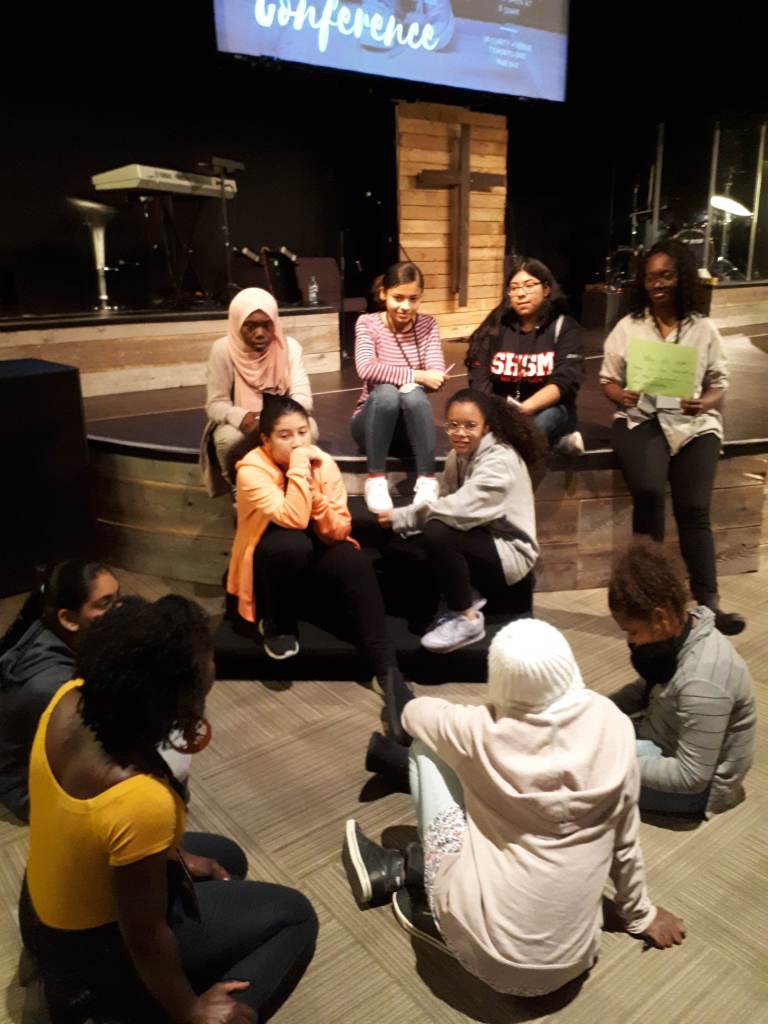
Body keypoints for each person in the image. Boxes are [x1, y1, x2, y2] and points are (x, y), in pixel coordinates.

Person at [343, 618, 686, 996]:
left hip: (486, 957)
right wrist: (641, 915)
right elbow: (625, 843)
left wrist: (480, 715)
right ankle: (406, 866)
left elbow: (411, 715)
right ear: (568, 667)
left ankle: (417, 884)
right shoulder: (614, 725)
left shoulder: (476, 729)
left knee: (427, 748)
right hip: (575, 961)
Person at [19, 595, 317, 1023]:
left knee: (227, 856)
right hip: (84, 948)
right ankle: (124, 1003)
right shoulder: (141, 799)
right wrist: (190, 1010)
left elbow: (98, 829)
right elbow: (144, 935)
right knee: (296, 917)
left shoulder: (70, 698)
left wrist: (174, 856)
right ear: (175, 697)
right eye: (205, 669)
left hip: (43, 907)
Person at [600, 238, 744, 635]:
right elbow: (608, 380)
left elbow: (719, 383)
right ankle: (649, 600)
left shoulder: (703, 328)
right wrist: (621, 395)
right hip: (641, 418)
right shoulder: (629, 326)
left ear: (682, 277)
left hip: (693, 424)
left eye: (666, 275)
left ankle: (709, 604)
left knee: (694, 507)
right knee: (648, 493)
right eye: (650, 277)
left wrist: (704, 402)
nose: (658, 284)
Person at [226, 396, 406, 694]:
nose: (298, 443)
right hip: (272, 560)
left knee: (355, 561)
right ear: (266, 441)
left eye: (302, 432)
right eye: (285, 436)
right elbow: (294, 519)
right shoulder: (251, 470)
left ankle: (387, 670)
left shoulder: (324, 463)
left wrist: (317, 496)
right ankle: (277, 623)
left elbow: (340, 529)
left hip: (316, 548)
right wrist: (299, 469)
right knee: (291, 544)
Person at [377, 388, 541, 653]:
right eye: (453, 425)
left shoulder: (500, 460)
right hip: (481, 533)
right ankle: (464, 592)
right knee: (410, 544)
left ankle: (467, 619)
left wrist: (404, 517)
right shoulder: (459, 456)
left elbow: (458, 508)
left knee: (437, 532)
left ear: (486, 427)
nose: (460, 433)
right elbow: (446, 500)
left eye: (470, 426)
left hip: (510, 551)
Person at [608, 538, 756, 817]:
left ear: (660, 619)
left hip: (698, 790)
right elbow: (642, 690)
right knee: (586, 743)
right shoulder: (683, 629)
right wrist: (595, 709)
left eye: (632, 631)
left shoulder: (703, 681)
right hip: (662, 736)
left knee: (586, 774)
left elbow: (690, 777)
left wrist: (610, 760)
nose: (630, 641)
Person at [0, 560, 119, 822]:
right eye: (105, 603)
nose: (119, 610)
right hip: (27, 790)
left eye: (117, 598)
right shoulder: (55, 686)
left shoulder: (52, 629)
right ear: (69, 619)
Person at [351, 261, 446, 514]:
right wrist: (417, 375)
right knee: (386, 392)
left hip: (407, 429)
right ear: (383, 294)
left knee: (412, 394)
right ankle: (375, 479)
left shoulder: (427, 324)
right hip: (371, 424)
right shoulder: (367, 323)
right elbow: (366, 368)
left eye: (413, 299)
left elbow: (436, 371)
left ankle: (427, 481)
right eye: (398, 298)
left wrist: (426, 380)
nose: (405, 306)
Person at [200, 287, 314, 497]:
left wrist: (276, 419)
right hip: (241, 422)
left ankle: (294, 485)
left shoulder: (289, 347)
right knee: (228, 439)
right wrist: (241, 417)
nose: (260, 333)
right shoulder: (223, 350)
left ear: (275, 323)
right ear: (237, 323)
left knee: (310, 429)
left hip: (280, 418)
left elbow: (303, 397)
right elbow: (215, 404)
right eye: (250, 326)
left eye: (266, 325)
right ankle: (242, 492)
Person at [466, 257, 585, 453]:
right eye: (514, 288)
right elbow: (479, 378)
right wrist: (498, 413)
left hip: (549, 409)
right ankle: (557, 443)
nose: (521, 294)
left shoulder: (564, 327)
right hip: (503, 411)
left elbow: (564, 381)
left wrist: (524, 409)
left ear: (546, 289)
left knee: (536, 426)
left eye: (529, 286)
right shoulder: (495, 327)